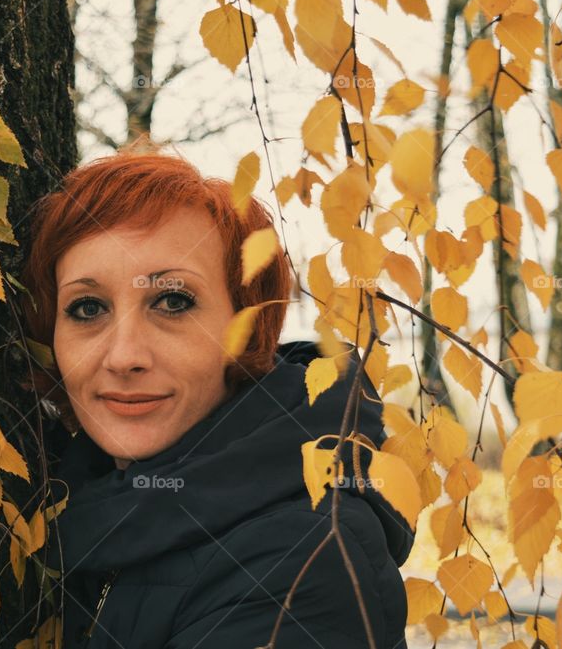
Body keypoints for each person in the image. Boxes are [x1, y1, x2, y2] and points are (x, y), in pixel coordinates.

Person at [21, 146, 414, 648]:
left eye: (173, 301)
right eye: (87, 307)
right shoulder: (72, 505)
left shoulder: (303, 558)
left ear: (247, 330)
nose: (122, 357)